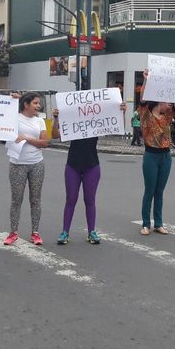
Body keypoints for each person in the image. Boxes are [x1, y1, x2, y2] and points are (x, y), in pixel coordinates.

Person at [50, 102, 127, 245]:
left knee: (90, 200)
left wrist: (121, 112)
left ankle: (92, 232)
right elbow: (54, 135)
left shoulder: (95, 125)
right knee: (71, 200)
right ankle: (65, 232)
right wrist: (56, 119)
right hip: (73, 165)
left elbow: (117, 128)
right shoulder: (72, 125)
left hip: (92, 166)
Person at [137, 69, 175, 235]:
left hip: (166, 156)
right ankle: (145, 224)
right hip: (151, 156)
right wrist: (145, 80)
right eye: (167, 102)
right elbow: (142, 98)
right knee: (149, 191)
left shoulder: (168, 115)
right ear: (159, 102)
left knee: (160, 191)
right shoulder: (145, 114)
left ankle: (158, 223)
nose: (170, 104)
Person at [4, 92, 50, 246]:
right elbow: (1, 112)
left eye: (39, 103)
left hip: (37, 163)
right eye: (36, 103)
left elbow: (44, 142)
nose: (39, 106)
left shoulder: (40, 121)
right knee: (16, 200)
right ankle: (13, 232)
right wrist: (11, 98)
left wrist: (27, 138)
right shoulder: (14, 118)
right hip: (17, 164)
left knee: (35, 199)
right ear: (26, 104)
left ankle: (35, 233)